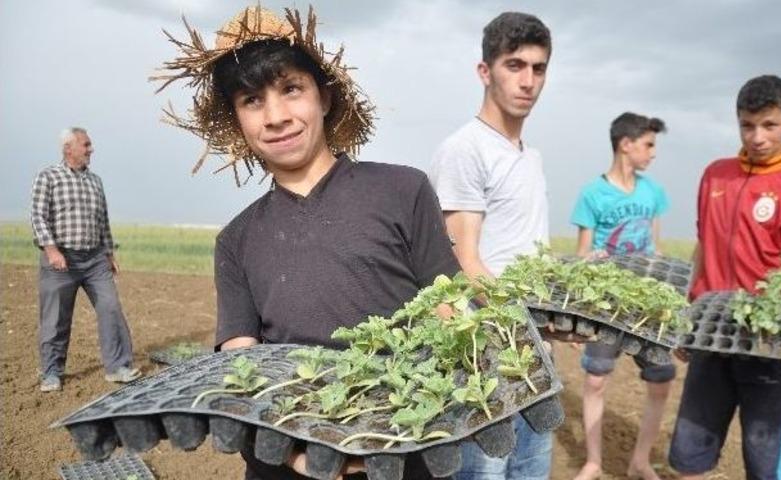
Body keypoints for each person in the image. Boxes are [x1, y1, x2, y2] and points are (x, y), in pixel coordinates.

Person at [155, 6, 460, 480]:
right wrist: (295, 451)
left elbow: (449, 310)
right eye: (252, 100)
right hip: (289, 458)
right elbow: (241, 361)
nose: (276, 117)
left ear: (325, 97)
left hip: (405, 449)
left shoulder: (403, 190)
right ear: (237, 120)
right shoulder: (236, 240)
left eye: (291, 89)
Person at [668, 75, 781, 480]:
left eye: (769, 125)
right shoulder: (715, 175)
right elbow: (703, 246)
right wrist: (687, 316)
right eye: (747, 125)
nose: (757, 137)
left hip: (767, 344)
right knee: (689, 454)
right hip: (711, 336)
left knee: (766, 463)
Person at [428, 12, 553, 480]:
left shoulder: (529, 155)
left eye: (538, 68)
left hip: (531, 350)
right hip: (488, 357)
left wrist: (552, 319)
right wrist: (526, 325)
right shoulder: (467, 150)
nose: (528, 81)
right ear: (485, 71)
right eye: (514, 65)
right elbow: (463, 262)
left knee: (530, 470)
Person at [569, 112, 673, 480]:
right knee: (596, 380)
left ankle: (640, 461)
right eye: (648, 144)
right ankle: (594, 462)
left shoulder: (653, 192)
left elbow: (654, 246)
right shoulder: (592, 194)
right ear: (626, 144)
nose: (653, 153)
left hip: (646, 304)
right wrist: (588, 267)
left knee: (661, 380)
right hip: (607, 304)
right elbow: (582, 253)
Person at [30, 127, 140, 393]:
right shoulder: (48, 177)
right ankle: (52, 372)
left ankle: (118, 367)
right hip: (61, 260)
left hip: (95, 260)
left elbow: (103, 221)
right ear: (68, 148)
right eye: (86, 145)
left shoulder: (95, 181)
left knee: (110, 308)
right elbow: (38, 216)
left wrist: (109, 253)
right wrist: (51, 250)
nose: (91, 149)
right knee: (56, 318)